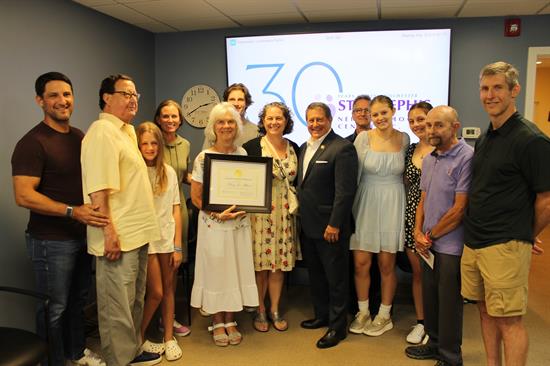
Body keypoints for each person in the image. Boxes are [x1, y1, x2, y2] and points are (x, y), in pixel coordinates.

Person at [11, 72, 108, 366]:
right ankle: (53, 361)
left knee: (78, 301)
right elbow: (23, 195)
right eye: (53, 95)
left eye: (66, 94)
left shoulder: (80, 137)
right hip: (50, 241)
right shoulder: (32, 143)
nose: (62, 101)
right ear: (40, 100)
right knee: (54, 308)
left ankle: (76, 352)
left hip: (81, 235)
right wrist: (72, 211)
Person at [461, 61, 550, 366]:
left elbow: (547, 200)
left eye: (498, 87)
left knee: (509, 321)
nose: (490, 95)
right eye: (485, 88)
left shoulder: (531, 140)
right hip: (475, 243)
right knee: (485, 311)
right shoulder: (488, 136)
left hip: (504, 245)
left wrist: (525, 235)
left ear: (515, 90)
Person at [81, 74, 162, 366]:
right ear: (106, 97)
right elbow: (98, 190)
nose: (133, 99)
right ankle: (120, 360)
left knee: (133, 302)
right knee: (117, 307)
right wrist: (109, 234)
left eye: (135, 94)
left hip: (137, 234)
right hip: (119, 237)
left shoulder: (126, 131)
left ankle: (132, 351)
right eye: (126, 94)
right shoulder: (101, 132)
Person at [405, 106, 473, 366]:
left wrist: (429, 235)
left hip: (450, 246)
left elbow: (459, 209)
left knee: (449, 303)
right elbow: (422, 199)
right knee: (431, 297)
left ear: (454, 127)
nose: (431, 130)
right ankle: (433, 344)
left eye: (438, 125)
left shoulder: (467, 157)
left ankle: (450, 356)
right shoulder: (430, 158)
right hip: (427, 242)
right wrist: (417, 231)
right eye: (429, 125)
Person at [190, 102, 259, 347]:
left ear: (237, 126)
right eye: (221, 122)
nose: (226, 126)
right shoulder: (203, 157)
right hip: (214, 224)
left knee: (235, 268)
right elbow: (197, 197)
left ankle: (231, 319)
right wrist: (217, 214)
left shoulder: (242, 154)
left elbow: (249, 191)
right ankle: (218, 320)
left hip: (238, 224)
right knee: (217, 269)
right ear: (213, 127)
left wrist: (248, 206)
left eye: (231, 122)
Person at [297, 102, 358, 349]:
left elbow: (345, 192)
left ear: (330, 120)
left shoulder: (342, 148)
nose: (314, 124)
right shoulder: (304, 147)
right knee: (317, 276)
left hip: (330, 228)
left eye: (319, 119)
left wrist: (334, 224)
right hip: (308, 225)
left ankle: (338, 327)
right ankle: (322, 315)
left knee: (336, 279)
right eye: (310, 120)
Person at [349, 95, 410, 337]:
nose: (379, 118)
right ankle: (363, 311)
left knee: (387, 264)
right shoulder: (363, 138)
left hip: (393, 202)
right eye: (375, 115)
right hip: (365, 202)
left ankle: (384, 314)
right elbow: (353, 175)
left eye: (384, 112)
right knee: (361, 262)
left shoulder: (404, 139)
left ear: (393, 111)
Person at [243, 102, 301, 332]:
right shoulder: (251, 147)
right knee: (261, 267)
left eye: (279, 118)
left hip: (285, 215)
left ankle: (275, 308)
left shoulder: (295, 146)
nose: (274, 122)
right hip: (260, 216)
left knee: (278, 267)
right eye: (270, 118)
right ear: (263, 121)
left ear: (286, 121)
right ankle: (260, 310)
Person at [137, 122, 183, 361]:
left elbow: (175, 210)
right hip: (146, 240)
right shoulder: (134, 171)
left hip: (166, 240)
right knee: (155, 292)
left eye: (154, 143)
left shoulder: (169, 171)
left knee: (168, 291)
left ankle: (168, 338)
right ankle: (137, 338)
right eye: (144, 143)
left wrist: (177, 246)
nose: (150, 147)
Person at [153, 100, 191, 336]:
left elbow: (183, 175)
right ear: (158, 119)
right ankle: (153, 317)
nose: (170, 120)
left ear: (180, 119)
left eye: (174, 116)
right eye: (165, 116)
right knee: (154, 270)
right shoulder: (148, 143)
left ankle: (169, 318)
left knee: (173, 268)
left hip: (178, 212)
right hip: (155, 213)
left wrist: (210, 183)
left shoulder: (185, 144)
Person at [403, 101, 434, 344]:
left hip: (438, 218)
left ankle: (437, 326)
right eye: (412, 120)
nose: (416, 124)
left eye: (421, 119)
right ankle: (422, 322)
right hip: (412, 217)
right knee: (418, 274)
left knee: (439, 276)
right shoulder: (409, 150)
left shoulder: (443, 148)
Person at [202, 83, 259, 149]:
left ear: (246, 103)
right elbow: (205, 157)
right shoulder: (216, 128)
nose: (236, 103)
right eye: (232, 99)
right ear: (226, 102)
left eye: (240, 100)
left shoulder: (256, 131)